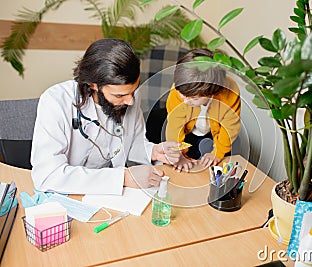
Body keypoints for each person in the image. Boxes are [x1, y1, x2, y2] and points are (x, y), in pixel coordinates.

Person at [31, 38, 182, 195]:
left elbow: (130, 145)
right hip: (68, 195)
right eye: (120, 95)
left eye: (133, 91)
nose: (130, 101)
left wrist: (153, 151)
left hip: (109, 197)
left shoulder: (128, 99)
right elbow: (47, 176)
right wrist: (123, 178)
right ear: (93, 84)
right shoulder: (56, 101)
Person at [166, 48, 241, 172]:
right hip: (188, 134)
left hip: (216, 135)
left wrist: (218, 153)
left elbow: (230, 127)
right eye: (182, 94)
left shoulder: (230, 93)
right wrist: (179, 155)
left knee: (213, 170)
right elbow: (174, 126)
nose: (184, 101)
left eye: (194, 98)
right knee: (186, 169)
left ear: (211, 93)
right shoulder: (179, 89)